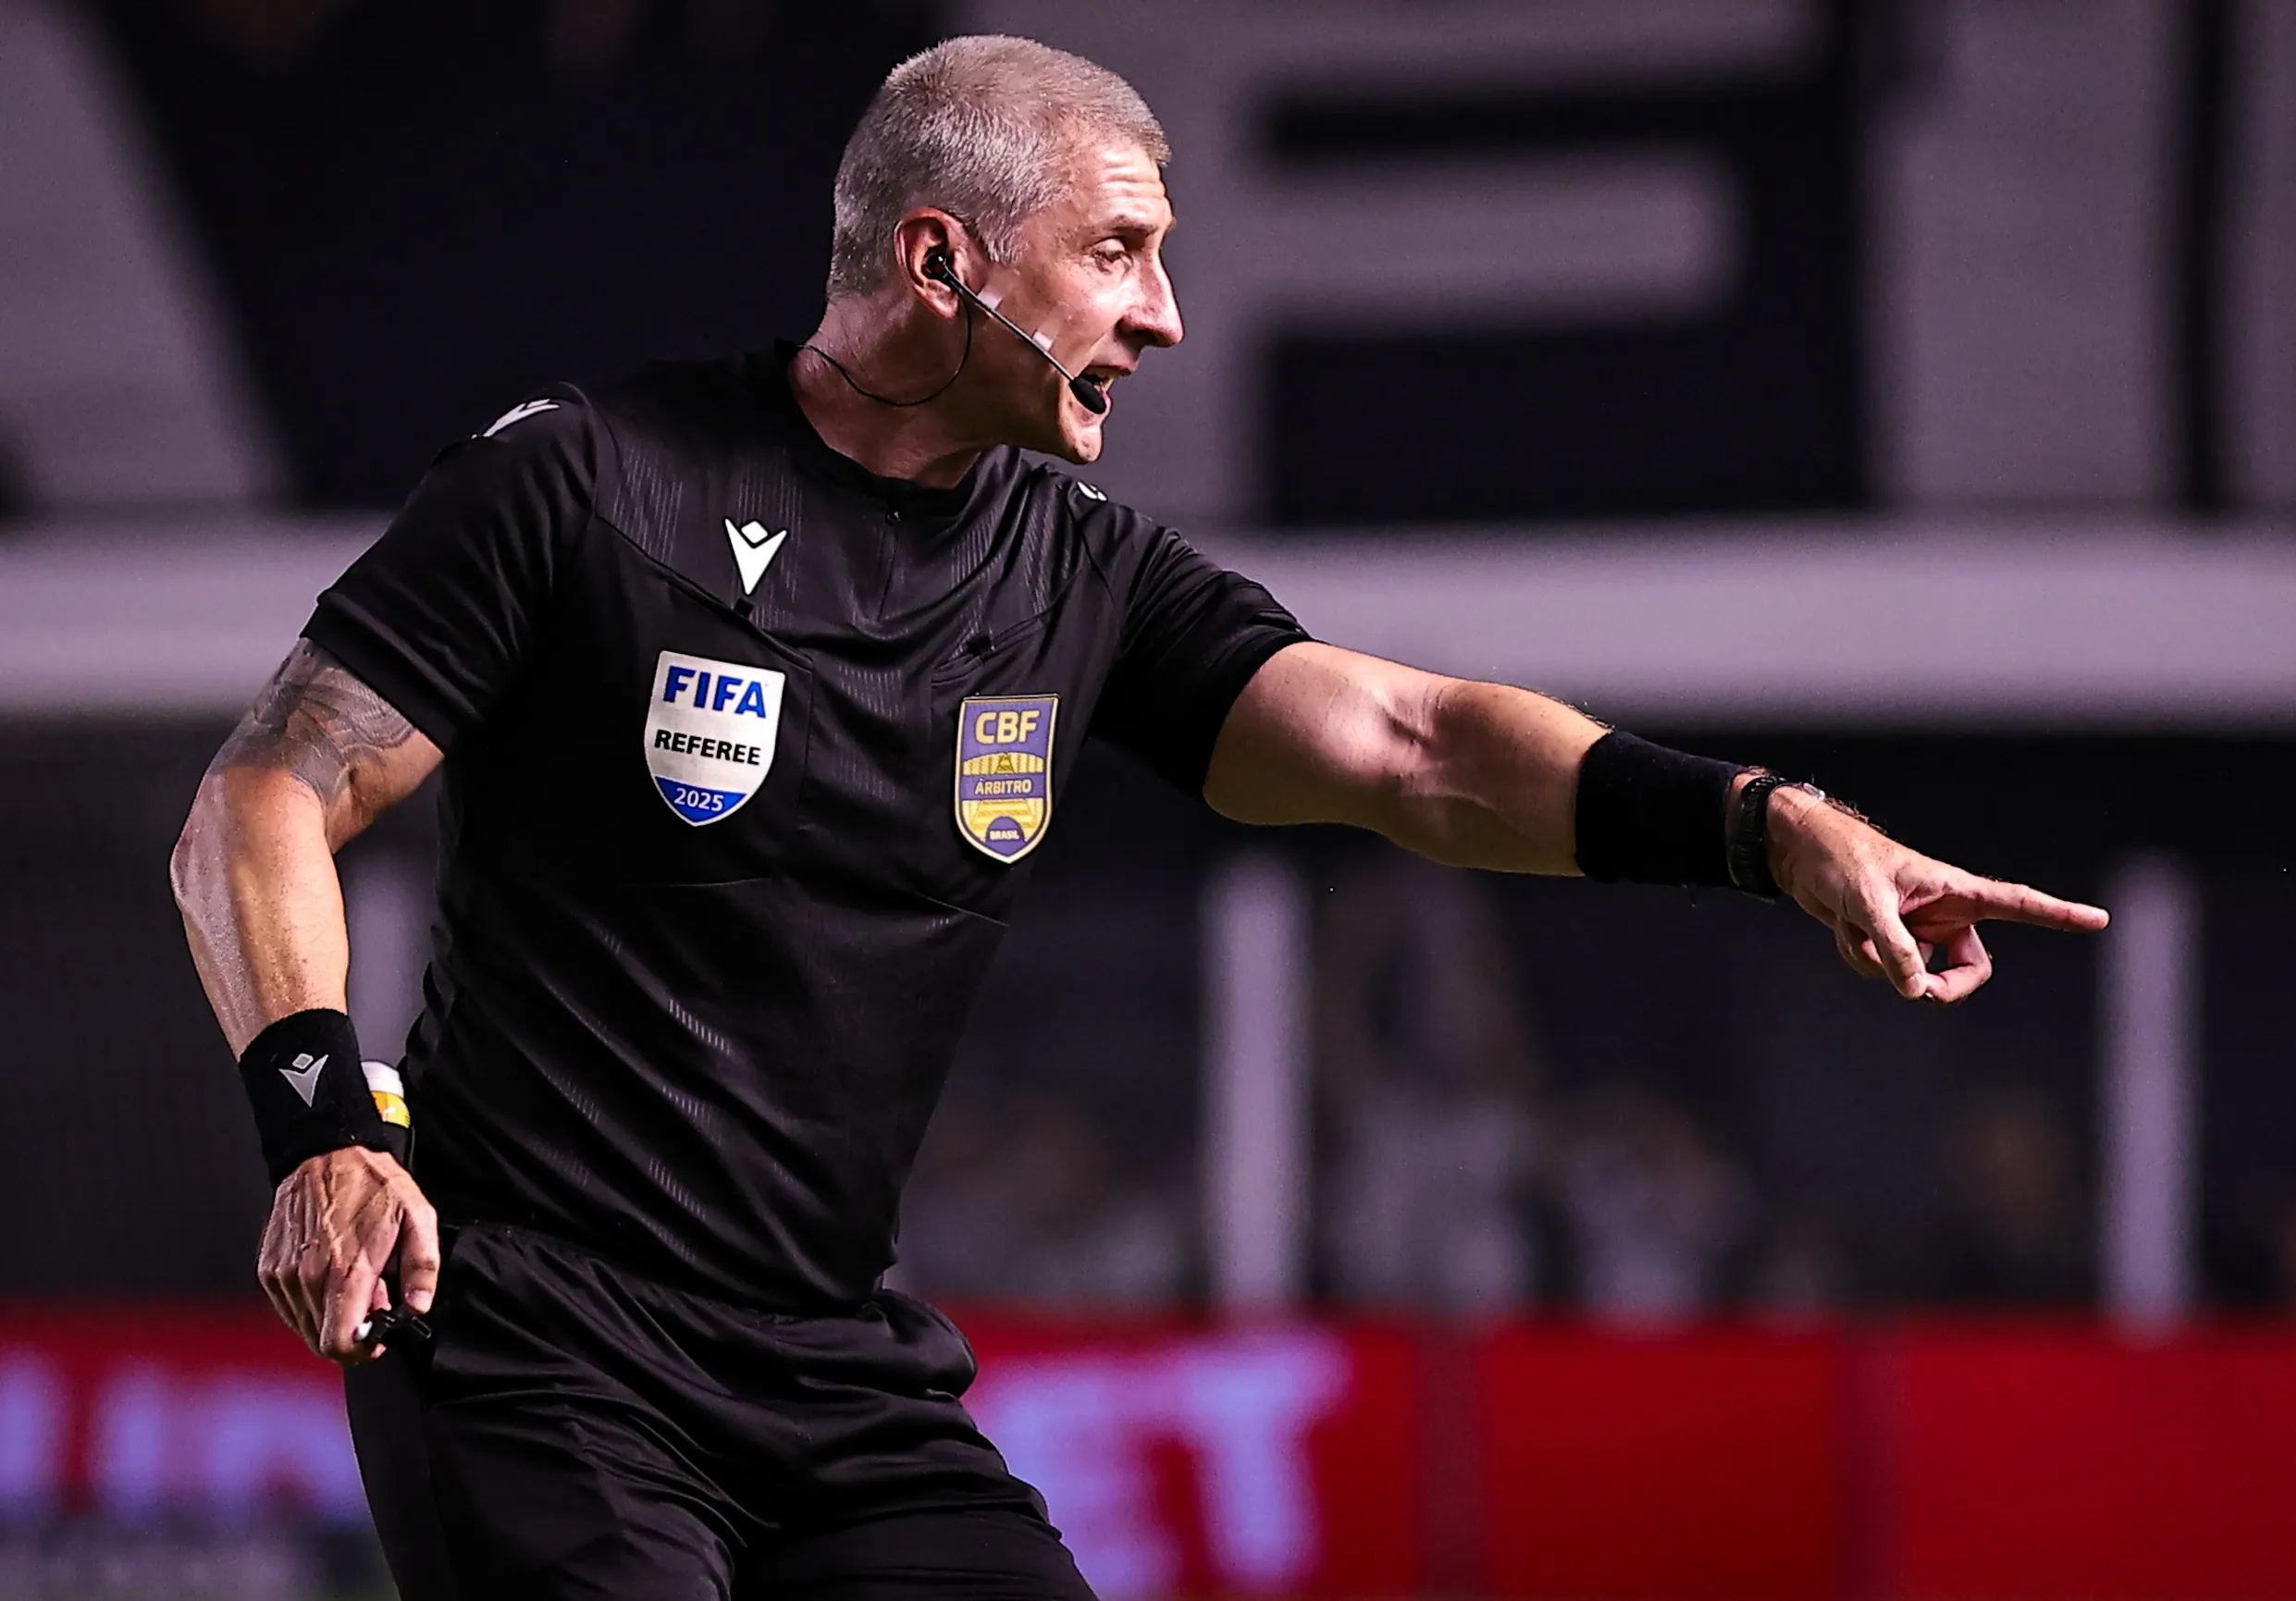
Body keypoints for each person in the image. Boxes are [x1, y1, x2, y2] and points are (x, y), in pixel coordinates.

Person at [169, 34, 2108, 1601]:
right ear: (941, 263)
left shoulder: (1074, 576)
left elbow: (1418, 743)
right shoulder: (592, 487)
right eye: (1116, 251)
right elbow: (266, 795)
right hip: (531, 1336)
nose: (1165, 314)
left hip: (828, 1364)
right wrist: (328, 1128)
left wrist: (1768, 825)